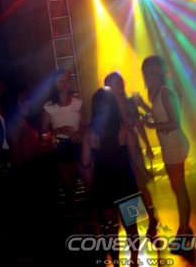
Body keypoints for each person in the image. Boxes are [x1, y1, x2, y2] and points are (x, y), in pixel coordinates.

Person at [80, 87, 140, 264]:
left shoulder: (89, 133)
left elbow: (84, 161)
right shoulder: (124, 128)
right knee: (131, 227)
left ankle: (116, 262)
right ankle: (134, 261)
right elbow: (135, 156)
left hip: (103, 184)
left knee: (111, 229)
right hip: (126, 182)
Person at [141, 55, 193, 255]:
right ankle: (185, 230)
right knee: (178, 188)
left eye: (149, 71)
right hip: (170, 144)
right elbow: (161, 115)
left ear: (156, 71)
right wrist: (144, 108)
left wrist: (153, 125)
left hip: (174, 145)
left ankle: (184, 233)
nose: (147, 75)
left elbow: (174, 122)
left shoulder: (166, 91)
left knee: (180, 190)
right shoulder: (162, 91)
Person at [104, 71, 159, 239]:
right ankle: (132, 226)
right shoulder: (107, 106)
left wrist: (147, 146)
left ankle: (152, 219)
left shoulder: (129, 103)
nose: (119, 83)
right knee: (127, 188)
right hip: (118, 150)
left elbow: (139, 125)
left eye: (120, 80)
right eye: (115, 82)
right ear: (108, 86)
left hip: (133, 147)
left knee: (141, 184)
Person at [40, 69, 87, 221]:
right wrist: (60, 129)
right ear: (55, 84)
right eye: (61, 81)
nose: (65, 83)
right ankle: (76, 219)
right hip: (60, 146)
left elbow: (85, 125)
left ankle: (94, 215)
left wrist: (79, 133)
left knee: (87, 181)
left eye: (67, 80)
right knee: (69, 186)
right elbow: (43, 133)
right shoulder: (49, 106)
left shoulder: (77, 102)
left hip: (78, 144)